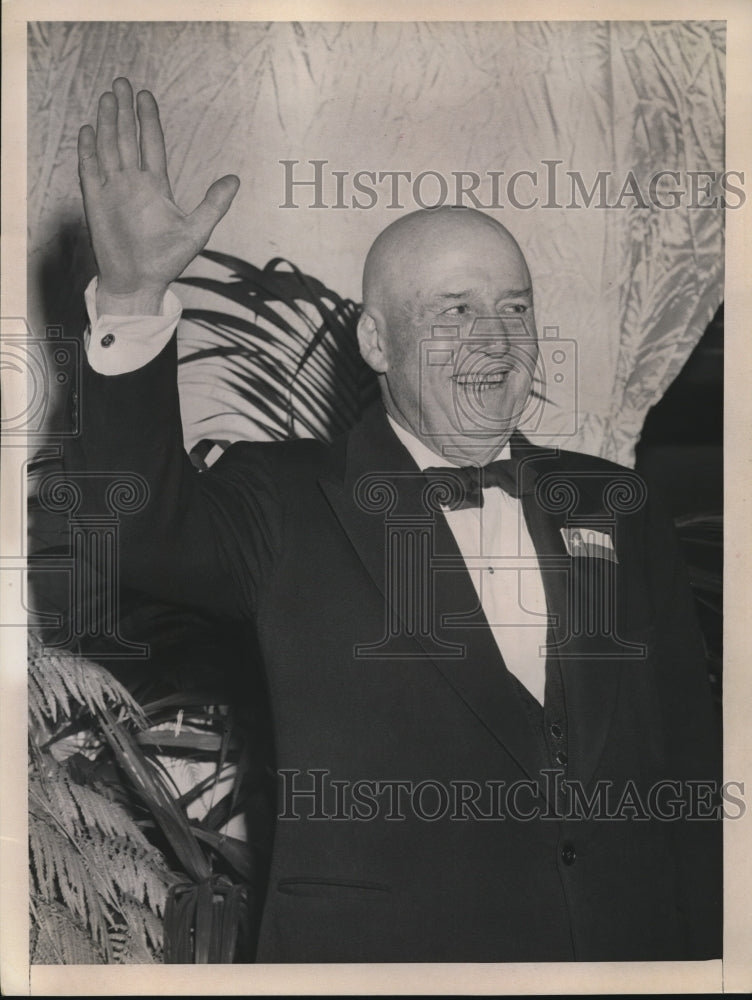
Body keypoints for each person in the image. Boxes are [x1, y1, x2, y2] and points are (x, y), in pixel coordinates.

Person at [66, 78, 721, 962]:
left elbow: (684, 761)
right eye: (455, 311)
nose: (497, 339)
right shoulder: (284, 498)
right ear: (377, 343)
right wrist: (135, 300)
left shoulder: (615, 503)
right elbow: (135, 532)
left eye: (515, 308)